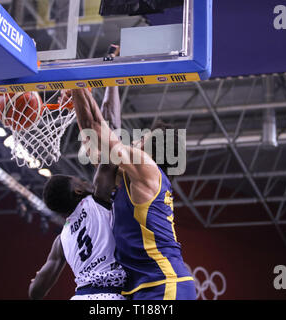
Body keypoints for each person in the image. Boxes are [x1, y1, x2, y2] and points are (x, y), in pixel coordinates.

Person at [70, 88, 196, 300]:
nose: (135, 141)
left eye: (141, 140)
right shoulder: (130, 178)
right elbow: (91, 140)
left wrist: (76, 83)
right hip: (143, 287)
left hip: (164, 282)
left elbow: (97, 129)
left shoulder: (148, 169)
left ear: (153, 153)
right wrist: (78, 91)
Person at [28, 85, 126, 300]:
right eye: (79, 180)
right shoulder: (98, 200)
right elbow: (107, 130)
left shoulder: (61, 240)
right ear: (79, 190)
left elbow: (35, 292)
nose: (83, 179)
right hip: (110, 297)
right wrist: (79, 89)